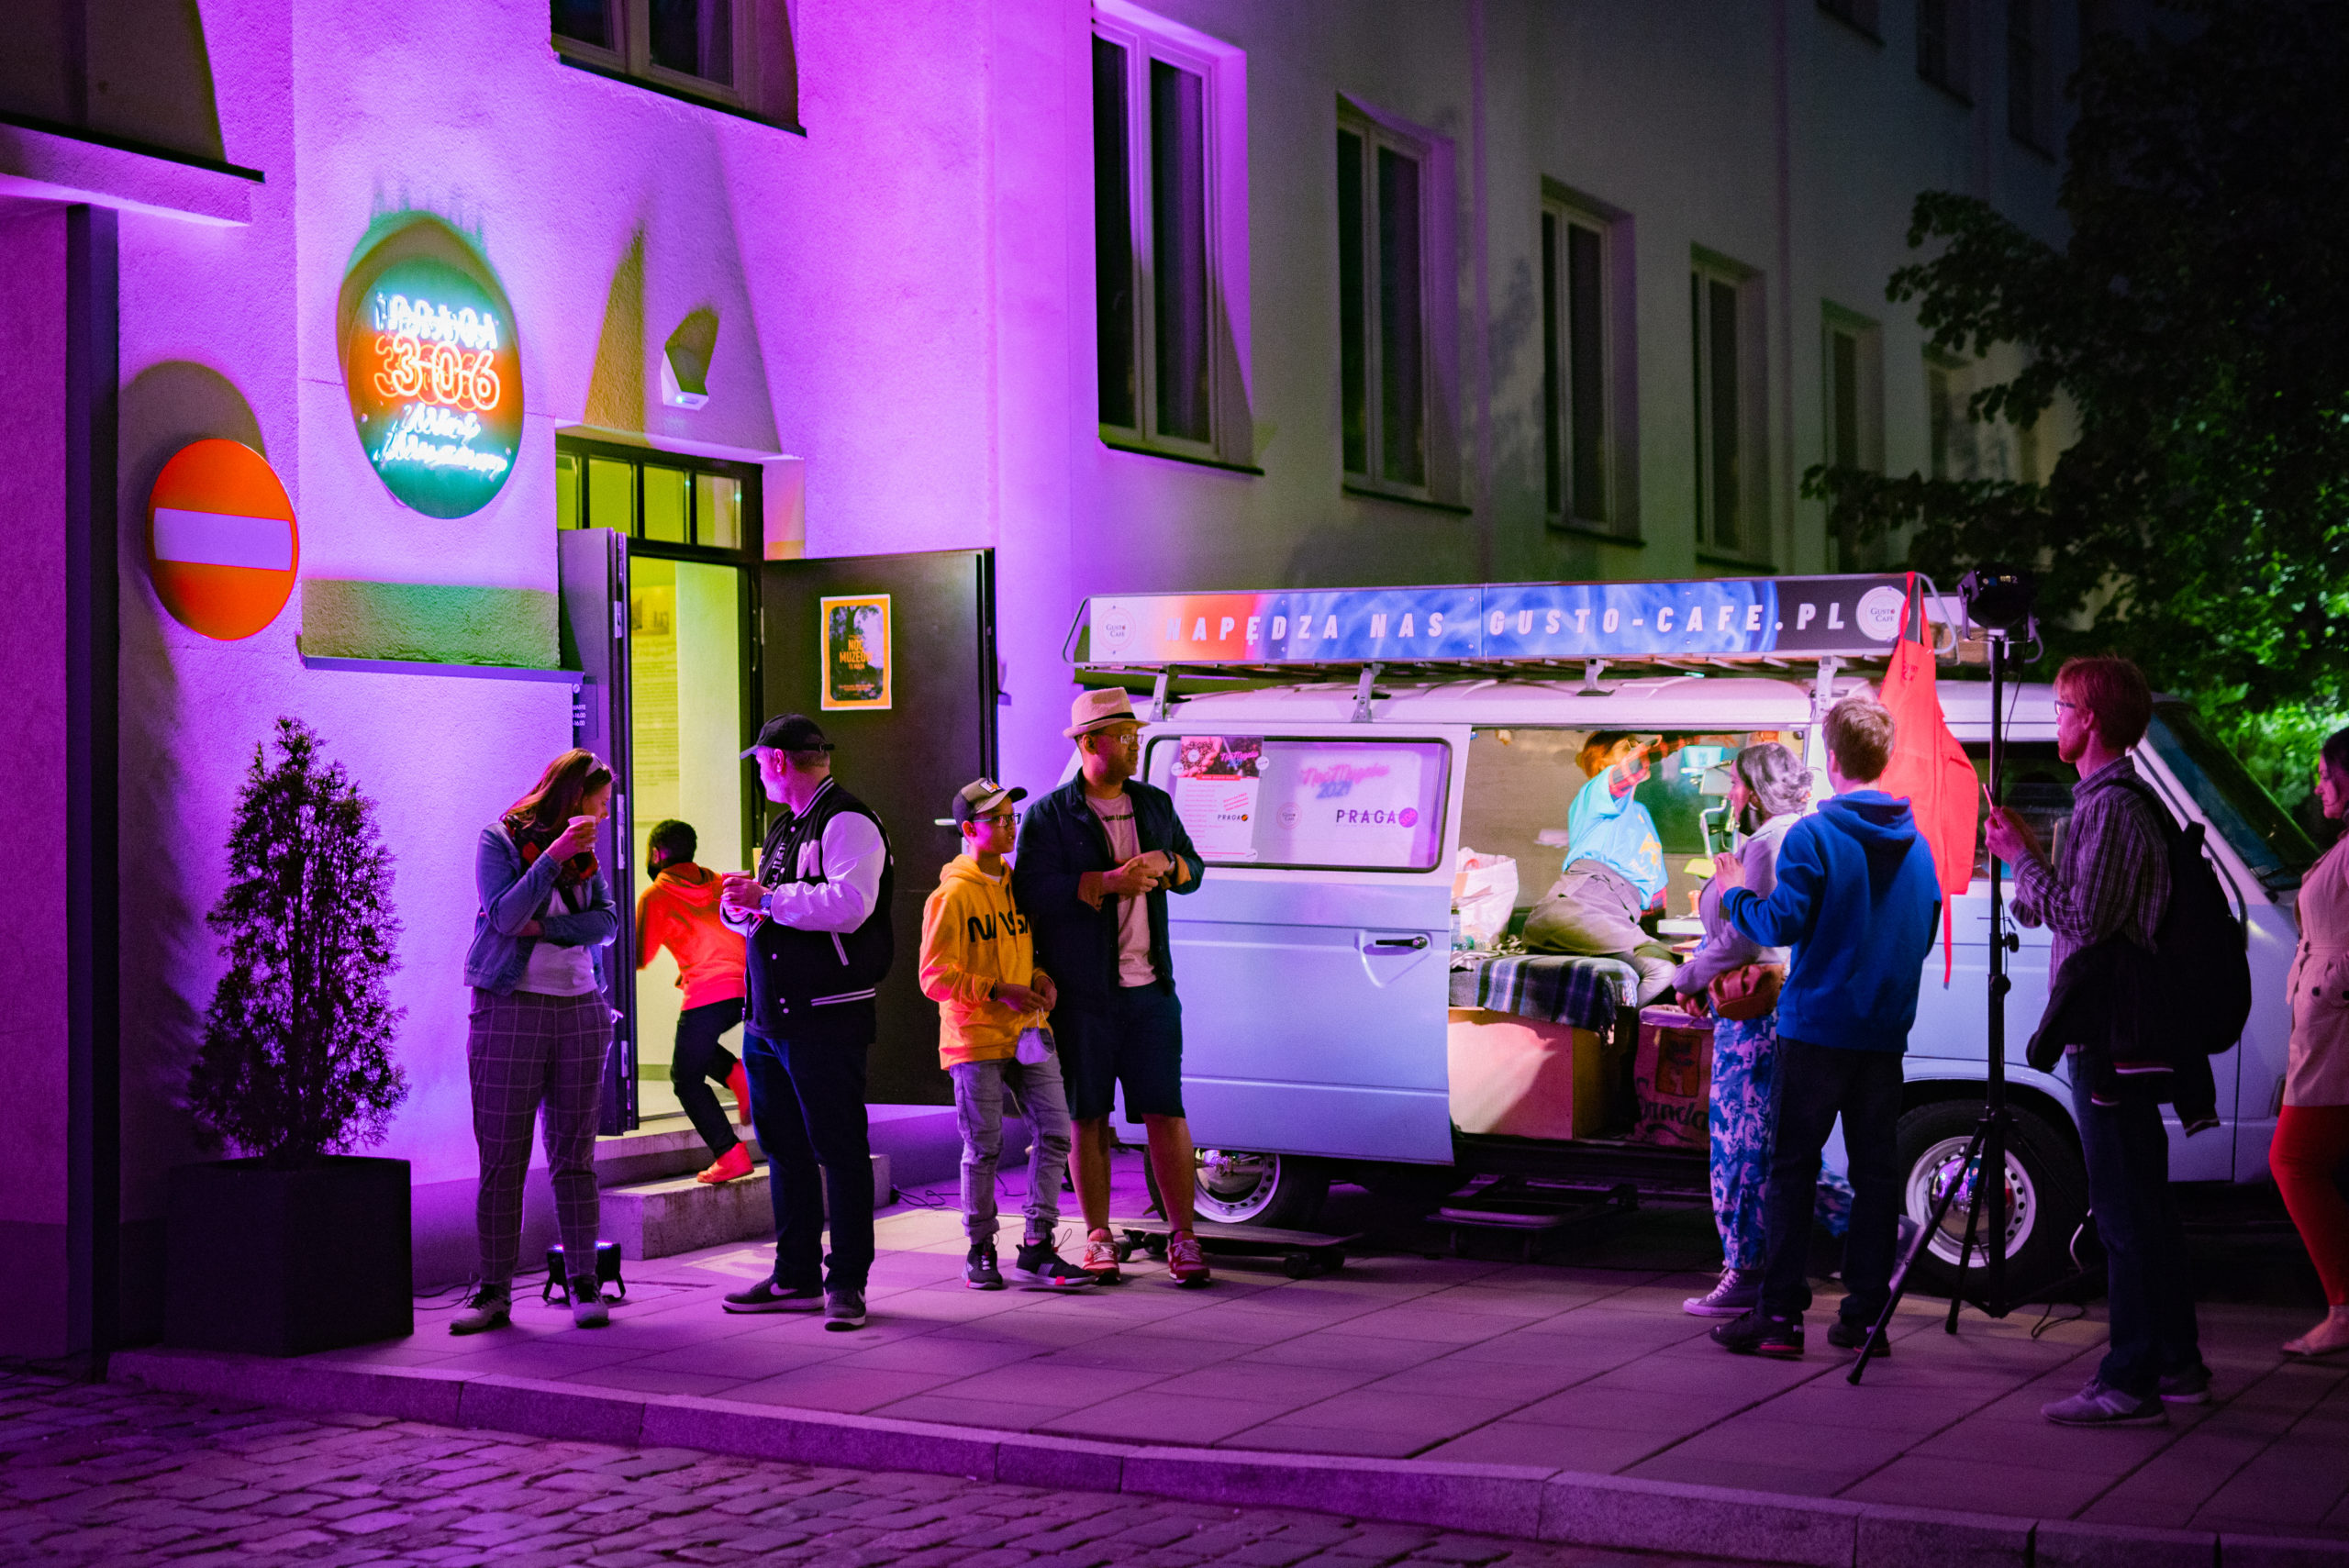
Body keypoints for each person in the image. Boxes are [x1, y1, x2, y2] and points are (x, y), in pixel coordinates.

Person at [1988, 656, 2210, 1422]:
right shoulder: (2095, 804)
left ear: (2090, 718)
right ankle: (2178, 1365)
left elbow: (2084, 921)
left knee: (2123, 1212)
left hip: (2111, 1034)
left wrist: (2021, 860)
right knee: (2142, 1205)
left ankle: (2129, 1379)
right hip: (2108, 1030)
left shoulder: (2114, 807)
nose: (2053, 719)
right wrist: (2028, 858)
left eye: (2060, 707)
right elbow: (2055, 908)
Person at [1709, 696, 1941, 1359]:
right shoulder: (1918, 846)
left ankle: (1779, 1316)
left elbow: (1777, 923)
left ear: (1832, 759)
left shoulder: (1814, 836)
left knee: (1791, 1170)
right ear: (1881, 758)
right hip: (1883, 1034)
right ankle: (1865, 1319)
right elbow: (1924, 930)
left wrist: (1733, 892)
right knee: (1876, 1176)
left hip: (1814, 1030)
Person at [1014, 688, 1211, 1285]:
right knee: (1088, 1115)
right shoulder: (1051, 814)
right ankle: (1098, 1236)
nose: (1134, 744)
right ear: (1089, 743)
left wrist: (1168, 865)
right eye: (1123, 735)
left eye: (1134, 734)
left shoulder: (1153, 803)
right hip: (1084, 995)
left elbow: (1194, 868)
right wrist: (1104, 881)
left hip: (1152, 990)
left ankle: (1183, 1236)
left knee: (1166, 1112)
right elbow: (1031, 891)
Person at [718, 715, 894, 1331]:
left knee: (838, 1150)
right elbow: (772, 907)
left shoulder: (847, 820)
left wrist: (767, 898)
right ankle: (795, 1275)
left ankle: (846, 1282)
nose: (760, 776)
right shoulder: (786, 825)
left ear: (778, 761)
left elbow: (851, 905)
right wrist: (740, 903)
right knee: (784, 1149)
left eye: (761, 764)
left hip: (825, 1012)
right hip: (769, 1016)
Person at [1674, 742, 1855, 1318]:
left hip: (1755, 1015)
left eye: (1734, 783)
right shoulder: (1780, 836)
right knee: (1773, 1144)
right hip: (1758, 1007)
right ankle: (1877, 1232)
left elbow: (1749, 935)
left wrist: (1689, 974)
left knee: (1740, 1144)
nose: (1728, 794)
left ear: (1754, 791)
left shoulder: (1770, 842)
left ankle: (1747, 1270)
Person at [452, 750, 620, 1334]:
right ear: (572, 797)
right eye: (600, 801)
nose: (605, 814)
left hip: (581, 1008)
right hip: (510, 1006)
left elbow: (606, 924)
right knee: (503, 1158)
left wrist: (546, 927)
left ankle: (584, 1283)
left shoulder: (587, 859)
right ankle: (494, 1292)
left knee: (575, 1158)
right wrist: (553, 856)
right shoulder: (499, 839)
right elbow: (504, 916)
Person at [920, 778, 1093, 1291]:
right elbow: (933, 977)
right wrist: (998, 991)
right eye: (996, 819)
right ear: (969, 829)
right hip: (975, 1039)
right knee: (985, 1147)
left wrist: (1039, 978)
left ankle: (1038, 1245)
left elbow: (1025, 951)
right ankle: (980, 1247)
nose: (1009, 826)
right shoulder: (952, 895)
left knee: (1056, 1133)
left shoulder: (1017, 886)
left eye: (1011, 817)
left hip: (1028, 1031)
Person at [2276, 727, 2349, 1358]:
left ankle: (2344, 1308)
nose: (2320, 786)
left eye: (2327, 774)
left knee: (2294, 1159)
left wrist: (2331, 985)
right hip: (2327, 1026)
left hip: (2337, 1032)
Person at [1520, 732, 1681, 1004]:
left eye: (1636, 744)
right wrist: (1695, 735)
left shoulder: (1640, 813)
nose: (1636, 748)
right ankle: (1617, 1030)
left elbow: (1654, 896)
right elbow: (1636, 764)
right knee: (1662, 969)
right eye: (1626, 747)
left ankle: (1619, 1027)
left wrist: (1656, 942)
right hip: (1579, 910)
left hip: (1615, 917)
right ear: (1601, 761)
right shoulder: (1594, 793)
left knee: (1676, 968)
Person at [636, 818, 752, 1184]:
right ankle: (739, 1076)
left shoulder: (656, 896)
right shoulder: (719, 882)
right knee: (697, 1051)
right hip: (747, 990)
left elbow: (639, 956)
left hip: (708, 994)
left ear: (656, 853)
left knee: (685, 1078)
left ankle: (730, 1153)